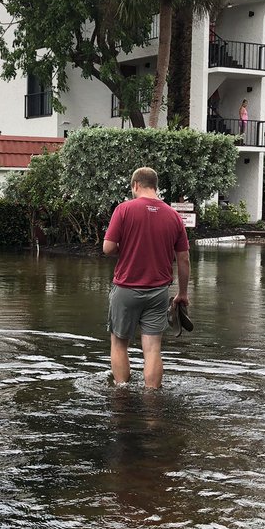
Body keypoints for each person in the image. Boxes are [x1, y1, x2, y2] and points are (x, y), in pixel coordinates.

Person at [102, 166, 190, 390]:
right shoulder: (174, 216)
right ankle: (152, 400)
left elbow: (108, 248)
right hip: (159, 292)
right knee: (152, 348)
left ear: (135, 186)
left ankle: (122, 395)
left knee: (119, 343)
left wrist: (126, 246)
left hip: (126, 288)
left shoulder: (123, 210)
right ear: (155, 186)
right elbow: (184, 260)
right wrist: (182, 293)